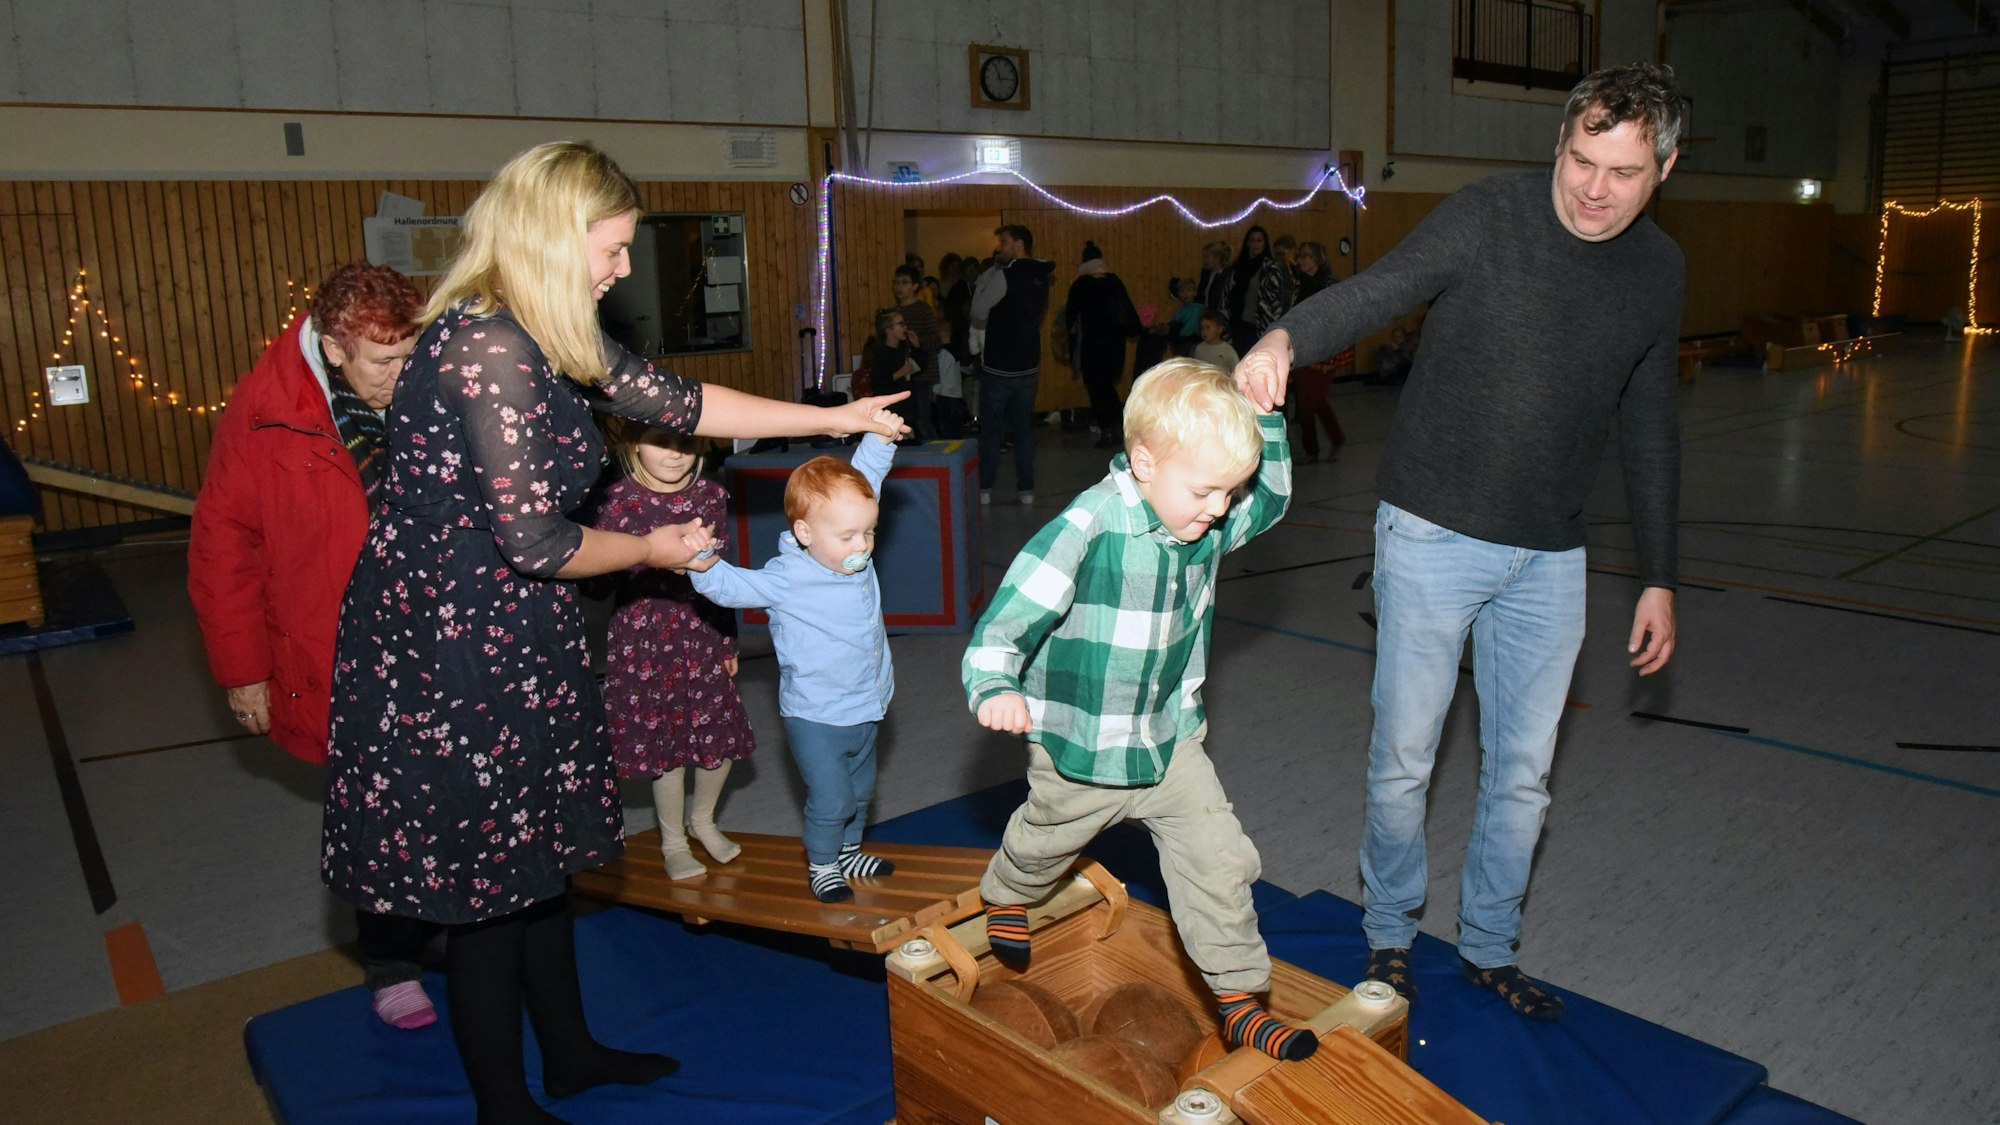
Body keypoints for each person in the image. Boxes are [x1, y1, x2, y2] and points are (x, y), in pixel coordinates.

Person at [320, 140, 907, 1125]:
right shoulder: (491, 349)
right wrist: (652, 549)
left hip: (512, 623)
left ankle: (571, 1050)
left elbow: (685, 403)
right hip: (454, 647)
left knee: (539, 866)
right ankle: (505, 1105)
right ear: (553, 238)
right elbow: (538, 540)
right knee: (489, 890)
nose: (623, 268)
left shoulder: (544, 329)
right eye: (613, 248)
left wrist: (832, 415)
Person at [1235, 62, 1687, 1022]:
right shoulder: (1488, 216)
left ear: (1665, 169)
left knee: (1523, 777)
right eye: (1581, 160)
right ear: (1559, 143)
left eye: (1624, 172)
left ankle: (1488, 944)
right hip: (1432, 530)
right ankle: (1390, 934)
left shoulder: (1659, 270)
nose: (1595, 189)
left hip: (1550, 554)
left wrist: (1660, 574)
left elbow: (1651, 421)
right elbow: (1382, 289)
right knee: (1406, 757)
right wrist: (1286, 338)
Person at [963, 359, 1315, 1063]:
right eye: (1206, 491)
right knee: (1046, 841)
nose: (1220, 508)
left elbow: (1270, 502)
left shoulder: (1202, 520)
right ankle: (1006, 890)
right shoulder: (1089, 523)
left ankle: (1240, 1000)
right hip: (1085, 746)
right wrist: (995, 684)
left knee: (1218, 859)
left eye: (1228, 491)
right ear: (1145, 462)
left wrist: (1268, 423)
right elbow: (1009, 616)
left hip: (1168, 740)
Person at [188, 262, 442, 1031]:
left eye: (410, 356)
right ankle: (392, 961)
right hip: (337, 645)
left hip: (436, 635)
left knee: (450, 796)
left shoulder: (425, 386)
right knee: (380, 813)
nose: (401, 375)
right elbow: (223, 547)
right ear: (333, 348)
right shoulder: (266, 412)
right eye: (383, 361)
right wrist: (244, 671)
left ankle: (452, 925)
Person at [682, 410, 905, 904]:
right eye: (848, 537)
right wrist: (702, 562)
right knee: (833, 797)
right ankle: (823, 863)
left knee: (862, 791)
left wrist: (880, 440)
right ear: (805, 533)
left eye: (868, 533)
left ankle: (849, 852)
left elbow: (864, 486)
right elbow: (731, 587)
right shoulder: (787, 578)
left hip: (867, 704)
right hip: (817, 715)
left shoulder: (850, 543)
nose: (862, 546)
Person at [592, 422, 755, 882]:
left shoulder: (711, 496)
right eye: (660, 442)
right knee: (667, 746)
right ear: (632, 445)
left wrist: (727, 638)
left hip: (700, 630)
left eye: (685, 442)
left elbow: (721, 573)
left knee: (718, 736)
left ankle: (702, 820)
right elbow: (597, 581)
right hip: (643, 637)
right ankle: (673, 841)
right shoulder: (617, 501)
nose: (675, 453)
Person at [969, 223, 1055, 505]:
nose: (999, 248)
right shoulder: (1041, 275)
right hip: (1028, 364)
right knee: (1023, 431)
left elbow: (978, 310)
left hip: (999, 366)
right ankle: (1026, 489)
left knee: (991, 432)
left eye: (1003, 242)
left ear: (1019, 244)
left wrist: (986, 280)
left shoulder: (1004, 276)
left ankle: (985, 488)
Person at [1064, 240, 1140, 450]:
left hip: (1092, 345)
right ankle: (1117, 428)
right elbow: (1128, 313)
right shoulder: (1115, 282)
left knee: (1096, 389)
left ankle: (1107, 429)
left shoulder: (1080, 285)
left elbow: (1071, 320)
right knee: (1108, 387)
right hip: (1115, 346)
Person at [1287, 242, 1345, 463]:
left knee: (1317, 399)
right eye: (1301, 256)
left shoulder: (1329, 284)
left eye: (1307, 256)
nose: (1302, 260)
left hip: (1325, 348)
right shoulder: (1299, 286)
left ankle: (1334, 439)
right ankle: (1312, 449)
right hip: (1303, 347)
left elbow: (1337, 316)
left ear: (1317, 259)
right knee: (1305, 401)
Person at [891, 264, 942, 440]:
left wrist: (918, 341)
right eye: (896, 282)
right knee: (907, 418)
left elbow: (936, 339)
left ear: (914, 286)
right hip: (902, 373)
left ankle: (936, 452)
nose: (899, 287)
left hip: (923, 372)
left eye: (904, 282)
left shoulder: (923, 309)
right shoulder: (894, 312)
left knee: (922, 419)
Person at [1225, 225, 1270, 350]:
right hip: (1236, 319)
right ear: (1247, 243)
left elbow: (1271, 299)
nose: (1255, 244)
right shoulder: (1238, 265)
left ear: (1265, 243)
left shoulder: (1269, 269)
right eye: (1252, 240)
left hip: (1256, 323)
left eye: (1259, 240)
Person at [1248, 234, 1298, 341]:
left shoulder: (1294, 270)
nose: (1280, 258)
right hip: (1273, 322)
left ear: (1292, 251)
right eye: (1277, 254)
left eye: (1282, 254)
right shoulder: (1273, 271)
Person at [934, 320, 967, 438]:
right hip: (956, 393)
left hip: (945, 394)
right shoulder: (956, 350)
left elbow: (940, 374)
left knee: (947, 427)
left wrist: (935, 391)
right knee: (956, 428)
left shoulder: (944, 353)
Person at [1168, 276, 1206, 356]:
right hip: (1181, 343)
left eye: (1188, 290)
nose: (1185, 294)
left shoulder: (1198, 308)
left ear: (1194, 293)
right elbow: (1174, 324)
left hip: (1194, 341)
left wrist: (1180, 333)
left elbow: (1192, 326)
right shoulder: (1179, 310)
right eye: (1182, 291)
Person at [1197, 240, 1233, 316]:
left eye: (1207, 258)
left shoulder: (1226, 276)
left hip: (1218, 315)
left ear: (1217, 258)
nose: (1204, 260)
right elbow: (1200, 295)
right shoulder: (1206, 275)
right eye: (1203, 257)